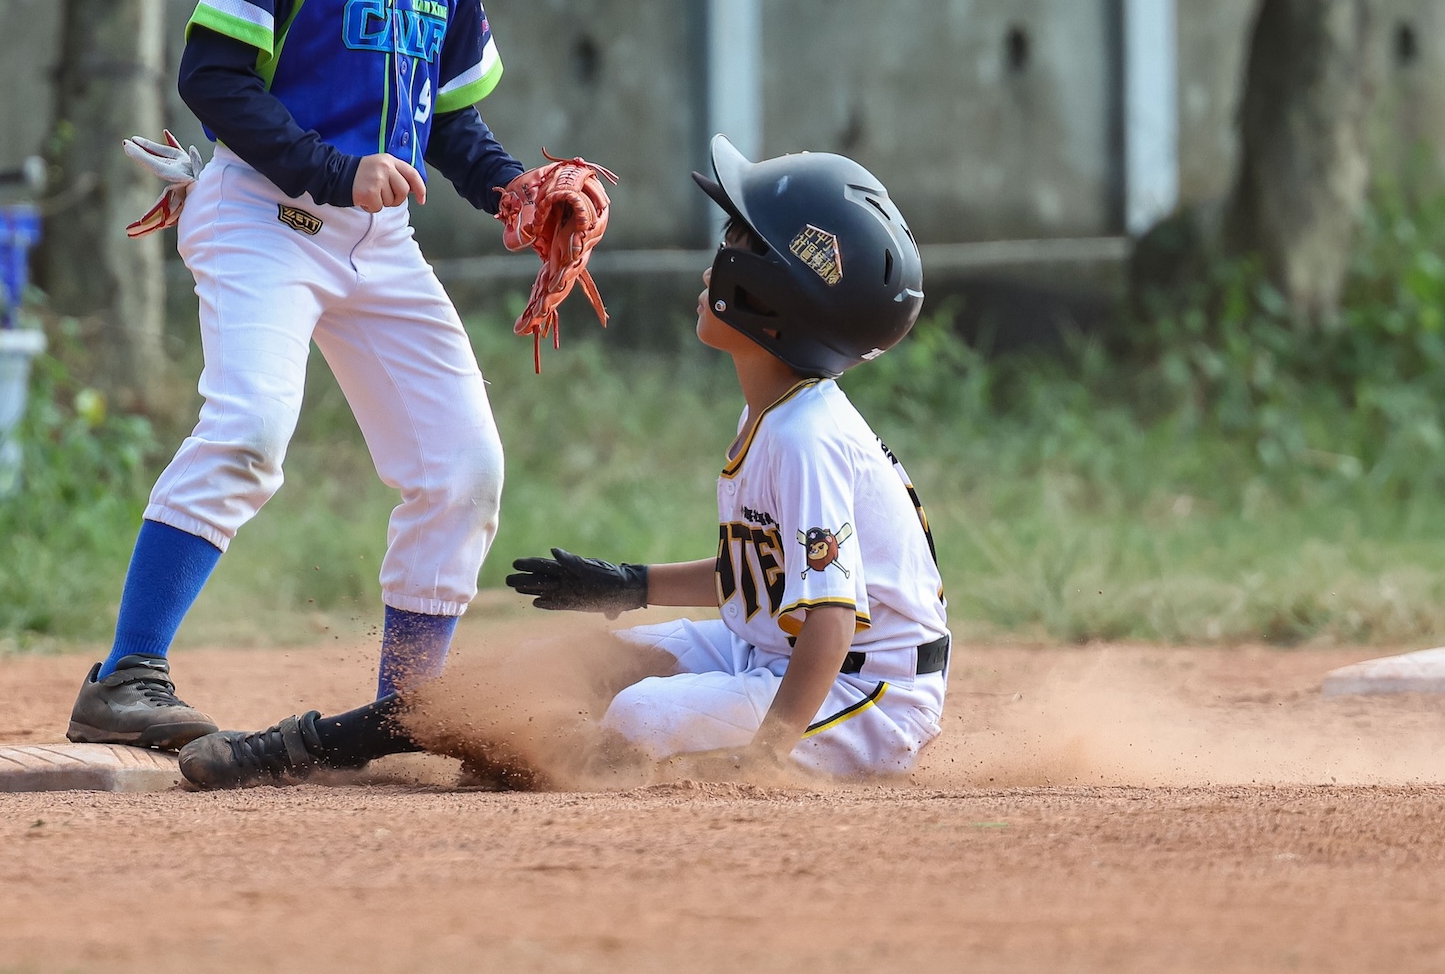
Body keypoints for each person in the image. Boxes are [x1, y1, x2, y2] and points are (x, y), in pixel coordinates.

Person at [67, 0, 570, 749]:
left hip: (371, 239)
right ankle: (125, 677)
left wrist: (513, 193)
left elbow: (448, 127)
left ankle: (406, 711)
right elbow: (212, 77)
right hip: (257, 212)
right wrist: (330, 171)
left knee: (461, 469)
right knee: (249, 429)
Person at [176, 138, 951, 787]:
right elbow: (763, 576)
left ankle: (525, 763)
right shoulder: (778, 411)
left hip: (866, 690)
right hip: (774, 648)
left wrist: (767, 755)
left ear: (776, 295)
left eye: (740, 243)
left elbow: (823, 618)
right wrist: (629, 585)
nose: (718, 257)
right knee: (555, 664)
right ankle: (309, 744)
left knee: (637, 715)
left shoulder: (803, 436)